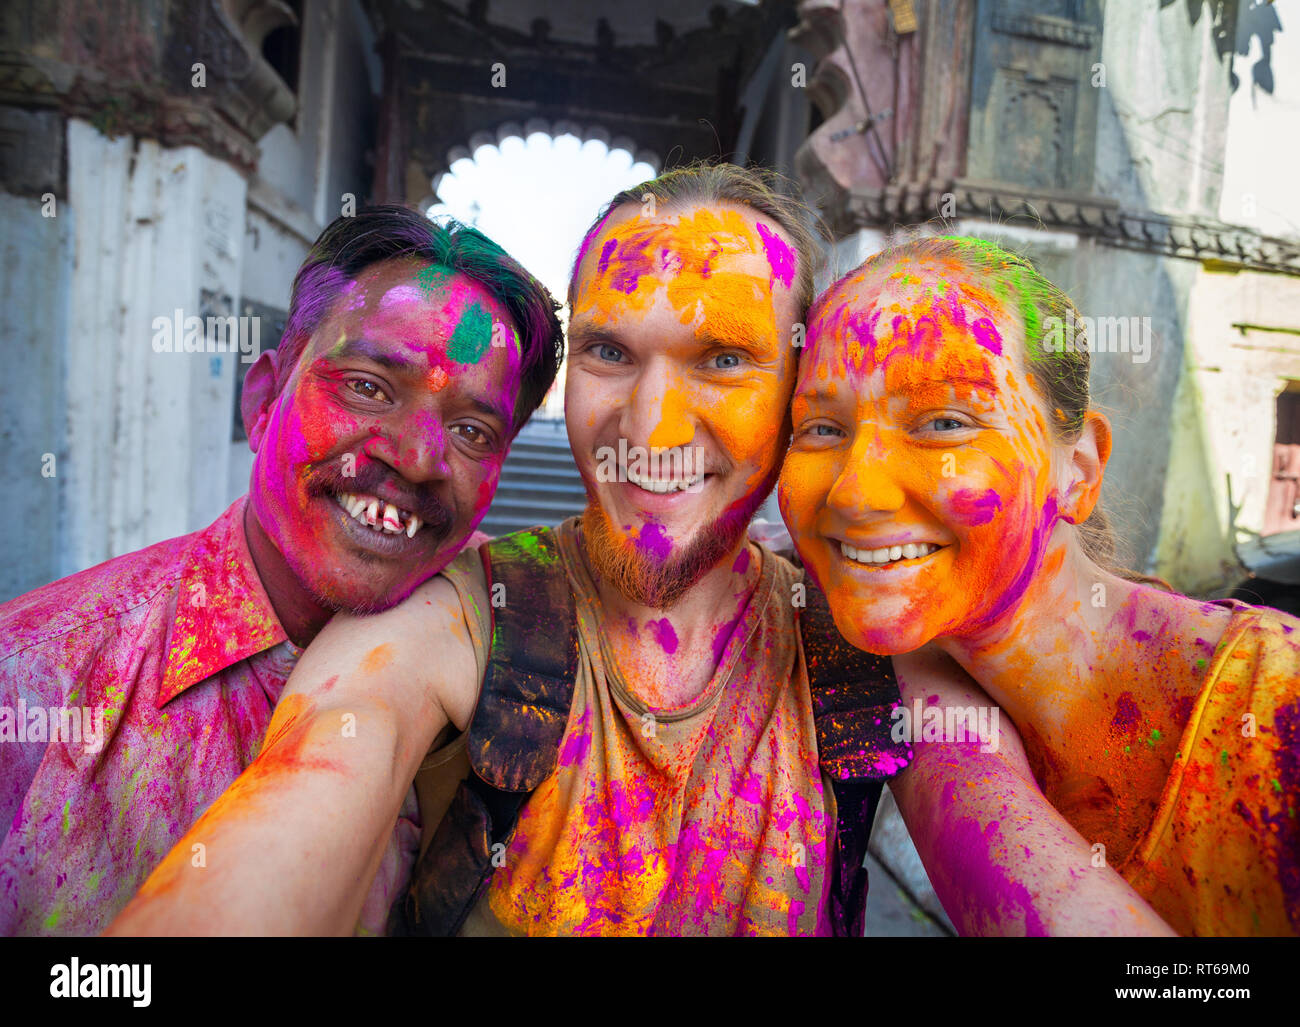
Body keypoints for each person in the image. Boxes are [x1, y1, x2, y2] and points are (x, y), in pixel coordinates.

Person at [107, 167, 1173, 937]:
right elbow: (309, 788)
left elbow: (1024, 860)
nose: (652, 426)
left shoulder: (863, 652)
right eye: (612, 351)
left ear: (799, 389)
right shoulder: (454, 618)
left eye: (724, 359)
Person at [0, 206, 563, 935]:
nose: (419, 457)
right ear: (264, 400)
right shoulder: (34, 686)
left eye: (470, 430)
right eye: (367, 387)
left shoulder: (533, 659)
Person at [778, 235, 1300, 936]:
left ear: (1078, 471)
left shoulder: (1275, 708)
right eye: (820, 427)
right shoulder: (913, 665)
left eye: (945, 423)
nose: (854, 492)